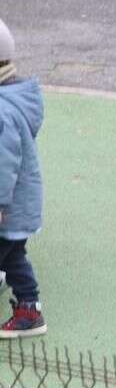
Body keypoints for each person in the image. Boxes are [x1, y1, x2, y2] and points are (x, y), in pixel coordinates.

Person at [0, 19, 48, 338]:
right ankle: (29, 309)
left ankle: (30, 312)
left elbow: (4, 164)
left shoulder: (2, 111)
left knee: (11, 254)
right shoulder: (15, 98)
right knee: (14, 256)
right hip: (17, 207)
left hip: (7, 207)